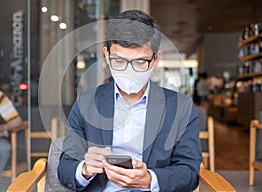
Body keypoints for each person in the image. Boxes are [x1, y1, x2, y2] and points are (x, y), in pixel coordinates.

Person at [58, 10, 201, 191]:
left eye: (140, 62)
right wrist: (85, 169)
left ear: (156, 59)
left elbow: (189, 172)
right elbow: (65, 167)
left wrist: (149, 180)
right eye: (118, 61)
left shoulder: (181, 107)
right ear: (107, 55)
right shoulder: (86, 103)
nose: (129, 72)